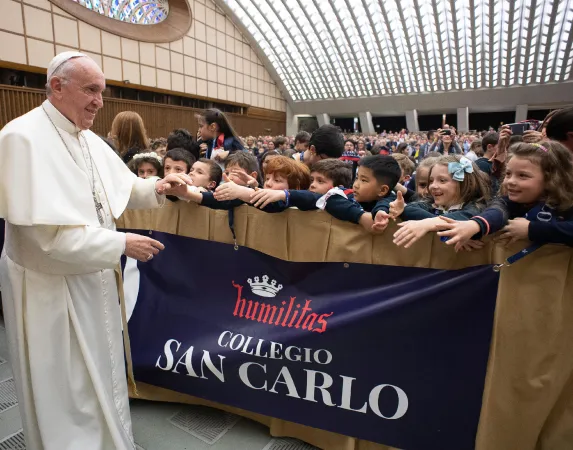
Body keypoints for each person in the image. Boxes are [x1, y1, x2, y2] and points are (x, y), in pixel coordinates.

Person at [0, 52, 191, 450]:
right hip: (48, 289)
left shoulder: (86, 139)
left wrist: (157, 187)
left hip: (91, 276)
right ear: (57, 86)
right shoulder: (21, 138)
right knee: (66, 387)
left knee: (100, 373)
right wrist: (121, 243)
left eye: (102, 93)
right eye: (91, 90)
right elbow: (43, 240)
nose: (99, 103)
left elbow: (116, 190)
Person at [437, 141, 573, 249]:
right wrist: (474, 226)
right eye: (508, 174)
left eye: (523, 176)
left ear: (551, 179)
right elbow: (496, 211)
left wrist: (531, 229)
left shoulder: (566, 206)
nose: (511, 181)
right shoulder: (509, 202)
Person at [392, 155, 491, 248]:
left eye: (442, 180)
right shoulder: (431, 204)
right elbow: (409, 210)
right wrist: (445, 229)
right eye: (431, 181)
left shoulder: (477, 207)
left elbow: (463, 217)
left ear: (465, 184)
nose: (433, 186)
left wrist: (428, 224)